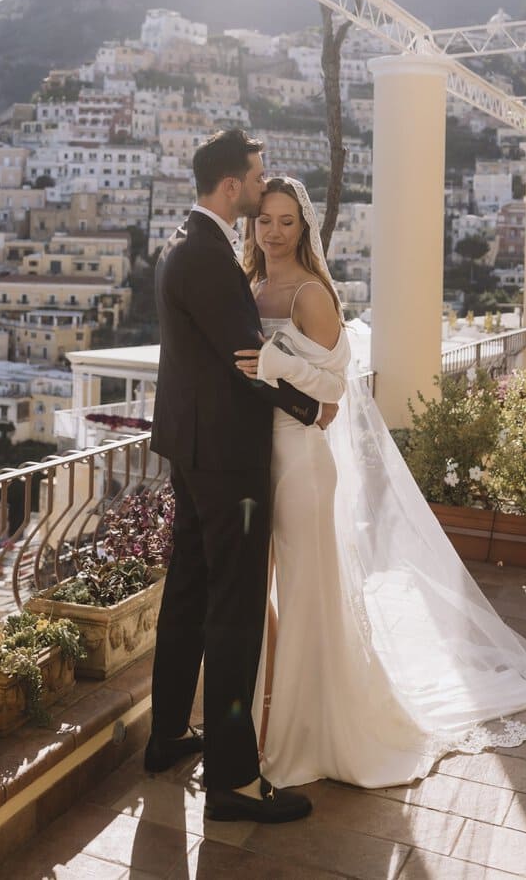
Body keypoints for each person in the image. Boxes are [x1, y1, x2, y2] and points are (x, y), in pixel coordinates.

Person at [235, 176, 526, 789]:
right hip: (255, 458)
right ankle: (262, 716)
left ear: (303, 228)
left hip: (301, 460)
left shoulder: (310, 293)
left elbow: (334, 392)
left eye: (286, 221)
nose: (273, 232)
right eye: (264, 220)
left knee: (305, 596)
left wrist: (275, 364)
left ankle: (304, 735)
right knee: (265, 598)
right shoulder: (250, 288)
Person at [144, 130, 335, 824]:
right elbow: (247, 360)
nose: (262, 185)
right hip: (228, 461)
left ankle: (167, 735)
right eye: (256, 177)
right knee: (236, 608)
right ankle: (233, 780)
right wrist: (311, 406)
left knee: (190, 593)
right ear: (232, 186)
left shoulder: (181, 243)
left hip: (190, 450)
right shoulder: (210, 257)